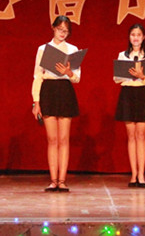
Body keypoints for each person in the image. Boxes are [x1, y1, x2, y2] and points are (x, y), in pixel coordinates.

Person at [31, 15, 81, 192]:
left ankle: (62, 180)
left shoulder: (72, 49)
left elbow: (77, 78)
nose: (62, 33)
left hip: (65, 91)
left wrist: (68, 72)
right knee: (52, 139)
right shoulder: (43, 49)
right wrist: (36, 102)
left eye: (66, 31)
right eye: (60, 29)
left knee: (64, 139)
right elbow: (37, 76)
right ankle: (53, 180)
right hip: (48, 91)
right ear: (53, 28)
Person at [113, 23, 145, 188]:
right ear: (129, 37)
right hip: (128, 94)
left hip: (143, 94)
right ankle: (133, 174)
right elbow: (116, 78)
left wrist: (141, 75)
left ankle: (141, 174)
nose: (136, 38)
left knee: (141, 135)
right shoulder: (123, 55)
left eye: (139, 35)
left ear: (143, 37)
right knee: (131, 136)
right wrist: (128, 75)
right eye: (133, 35)